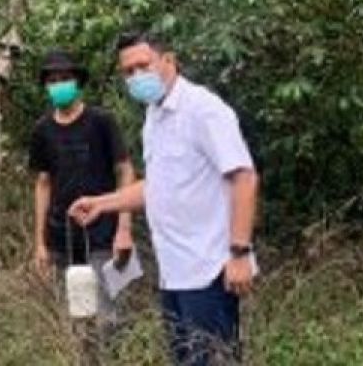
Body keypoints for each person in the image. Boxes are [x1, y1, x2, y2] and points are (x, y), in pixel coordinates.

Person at [69, 32, 259, 366]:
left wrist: (240, 252)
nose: (136, 77)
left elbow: (244, 177)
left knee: (213, 358)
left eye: (143, 65)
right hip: (174, 271)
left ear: (168, 61)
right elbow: (157, 186)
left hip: (209, 269)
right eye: (128, 72)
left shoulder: (203, 110)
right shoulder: (154, 117)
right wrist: (103, 204)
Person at [29, 50, 135, 363]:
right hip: (62, 238)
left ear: (78, 83)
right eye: (52, 80)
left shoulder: (101, 122)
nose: (59, 85)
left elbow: (125, 169)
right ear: (46, 86)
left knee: (108, 319)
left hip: (105, 235)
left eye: (65, 79)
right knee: (73, 318)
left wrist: (124, 228)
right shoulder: (42, 130)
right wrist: (40, 243)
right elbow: (43, 183)